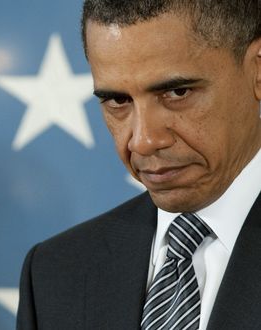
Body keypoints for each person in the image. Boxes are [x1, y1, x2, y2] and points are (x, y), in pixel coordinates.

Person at [17, 1, 261, 329]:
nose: (143, 141)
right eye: (118, 101)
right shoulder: (54, 273)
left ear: (257, 72)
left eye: (178, 92)